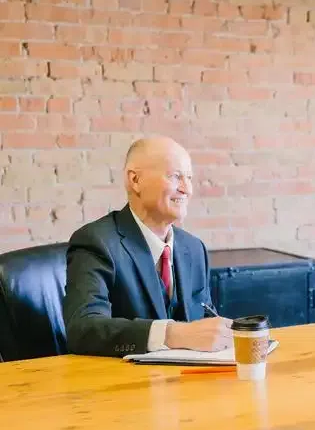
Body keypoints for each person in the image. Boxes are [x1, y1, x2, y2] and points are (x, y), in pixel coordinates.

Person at [63, 136, 232, 357]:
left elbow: (205, 322)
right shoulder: (96, 241)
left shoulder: (194, 248)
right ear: (135, 180)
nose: (187, 189)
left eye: (189, 178)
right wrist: (171, 334)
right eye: (175, 176)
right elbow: (83, 330)